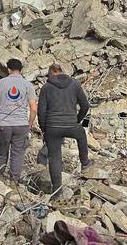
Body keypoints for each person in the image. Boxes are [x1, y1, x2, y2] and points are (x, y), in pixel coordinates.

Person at [37, 63, 91, 194]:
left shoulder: (46, 87)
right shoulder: (75, 84)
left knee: (54, 157)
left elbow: (41, 111)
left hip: (52, 127)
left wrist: (44, 129)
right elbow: (85, 105)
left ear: (50, 73)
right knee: (81, 133)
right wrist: (76, 120)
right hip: (71, 125)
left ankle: (57, 190)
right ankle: (85, 163)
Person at [0, 58, 37, 184]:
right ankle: (14, 182)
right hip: (21, 125)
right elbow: (34, 107)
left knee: (2, 152)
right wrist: (29, 123)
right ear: (20, 70)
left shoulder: (0, 83)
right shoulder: (27, 85)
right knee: (17, 153)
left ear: (8, 69)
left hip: (3, 125)